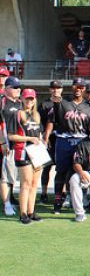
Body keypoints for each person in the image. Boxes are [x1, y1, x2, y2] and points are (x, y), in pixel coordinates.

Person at [44, 77, 90, 214]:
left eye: (81, 87)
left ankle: (80, 199)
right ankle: (58, 200)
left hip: (81, 141)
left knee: (80, 172)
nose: (78, 89)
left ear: (84, 89)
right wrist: (46, 137)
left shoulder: (89, 106)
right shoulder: (62, 102)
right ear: (72, 87)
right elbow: (51, 119)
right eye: (76, 86)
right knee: (61, 171)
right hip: (64, 140)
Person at [10, 88, 43, 224]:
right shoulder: (17, 115)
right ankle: (23, 213)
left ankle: (31, 211)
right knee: (26, 183)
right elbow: (11, 136)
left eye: (31, 98)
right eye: (27, 98)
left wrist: (40, 142)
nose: (29, 101)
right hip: (23, 151)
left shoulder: (37, 115)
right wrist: (29, 139)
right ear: (21, 99)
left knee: (35, 183)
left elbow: (39, 134)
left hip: (36, 152)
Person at [1, 76, 23, 216]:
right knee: (5, 176)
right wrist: (2, 142)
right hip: (6, 144)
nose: (18, 90)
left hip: (19, 144)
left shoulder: (20, 103)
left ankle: (11, 198)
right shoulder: (2, 102)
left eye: (19, 87)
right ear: (7, 88)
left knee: (12, 175)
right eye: (15, 87)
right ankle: (6, 203)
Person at [39, 80, 63, 204]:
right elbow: (39, 122)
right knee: (46, 167)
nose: (55, 90)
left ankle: (62, 193)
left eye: (58, 88)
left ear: (62, 90)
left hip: (62, 138)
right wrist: (44, 138)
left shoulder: (65, 103)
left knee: (62, 168)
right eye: (53, 88)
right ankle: (43, 194)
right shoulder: (44, 104)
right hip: (48, 139)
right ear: (49, 90)